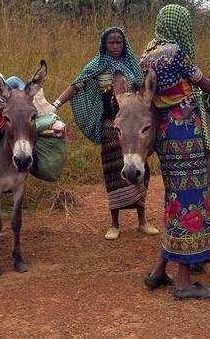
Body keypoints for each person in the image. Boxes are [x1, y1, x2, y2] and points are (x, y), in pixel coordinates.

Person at [138, 4, 210, 300]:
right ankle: (184, 283)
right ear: (180, 25)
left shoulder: (147, 53)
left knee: (174, 200)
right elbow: (205, 84)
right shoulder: (176, 51)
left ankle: (158, 272)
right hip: (185, 131)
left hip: (165, 133)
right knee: (192, 200)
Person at [52, 27, 159, 240]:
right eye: (111, 43)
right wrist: (54, 105)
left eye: (119, 42)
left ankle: (142, 220)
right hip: (112, 126)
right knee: (112, 171)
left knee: (141, 168)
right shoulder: (96, 66)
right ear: (104, 44)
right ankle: (114, 223)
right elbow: (75, 86)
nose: (116, 46)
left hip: (135, 124)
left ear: (124, 43)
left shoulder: (132, 65)